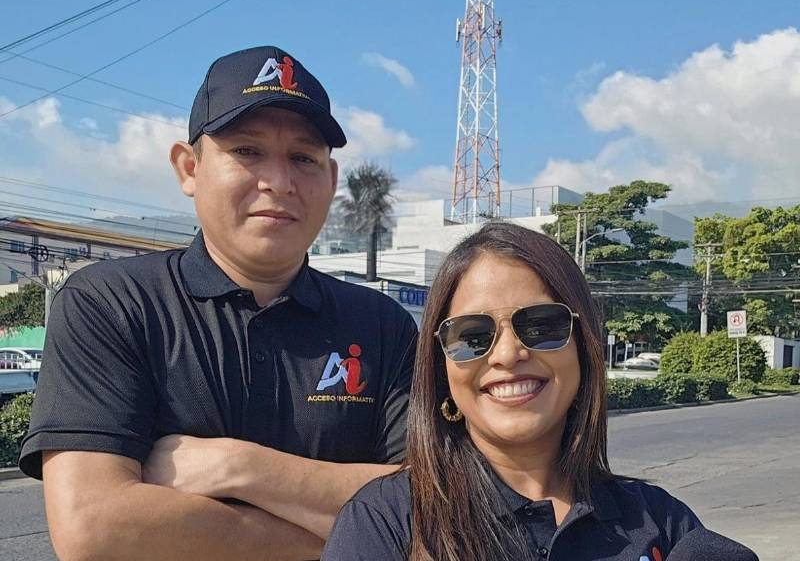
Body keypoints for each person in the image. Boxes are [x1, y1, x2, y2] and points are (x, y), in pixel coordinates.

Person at [19, 45, 417, 561]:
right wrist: (352, 538)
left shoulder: (381, 323)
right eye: (247, 151)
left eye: (303, 158)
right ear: (189, 168)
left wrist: (241, 467)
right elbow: (95, 527)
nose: (279, 181)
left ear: (331, 179)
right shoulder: (112, 304)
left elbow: (431, 508)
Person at [322, 221, 745, 561]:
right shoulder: (385, 523)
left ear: (584, 346)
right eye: (472, 335)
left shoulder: (662, 525)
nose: (507, 354)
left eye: (542, 325)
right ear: (441, 367)